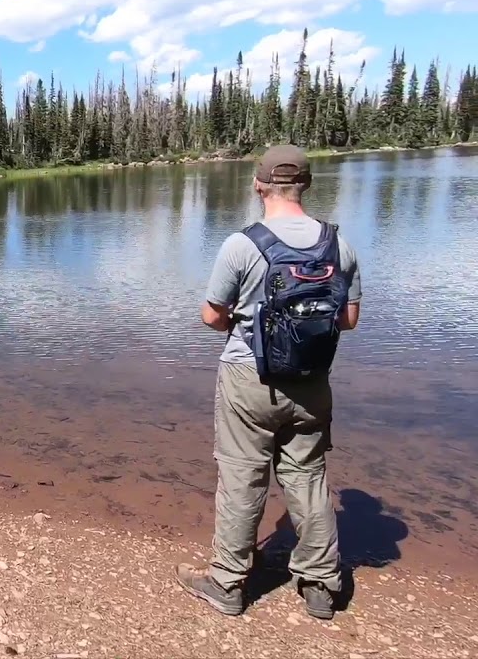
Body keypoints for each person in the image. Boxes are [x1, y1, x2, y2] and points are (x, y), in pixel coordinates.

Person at [176, 145, 362, 620]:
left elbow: (210, 316)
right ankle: (321, 584)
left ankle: (228, 582)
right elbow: (349, 319)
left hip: (249, 377)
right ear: (307, 185)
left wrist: (243, 321)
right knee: (308, 474)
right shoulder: (338, 245)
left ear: (258, 185)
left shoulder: (242, 244)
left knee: (242, 475)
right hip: (313, 380)